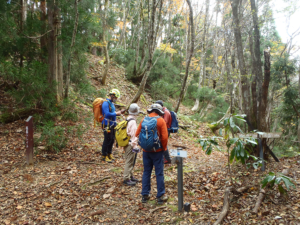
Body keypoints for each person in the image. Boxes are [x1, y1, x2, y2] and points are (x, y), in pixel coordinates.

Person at [136, 103, 169, 204]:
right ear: (159, 112)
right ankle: (161, 196)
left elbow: (137, 134)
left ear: (151, 110)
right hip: (157, 152)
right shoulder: (161, 121)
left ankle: (145, 195)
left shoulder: (143, 120)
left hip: (146, 152)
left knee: (146, 172)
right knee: (159, 173)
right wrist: (164, 149)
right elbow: (164, 137)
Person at [101, 89, 125, 163]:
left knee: (112, 139)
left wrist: (119, 112)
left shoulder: (111, 103)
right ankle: (104, 155)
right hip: (106, 124)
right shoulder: (105, 103)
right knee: (107, 139)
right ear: (112, 96)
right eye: (115, 97)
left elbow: (113, 112)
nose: (116, 99)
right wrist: (116, 113)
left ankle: (109, 153)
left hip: (112, 124)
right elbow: (107, 114)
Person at [123, 103, 140, 186]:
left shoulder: (128, 118)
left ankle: (131, 175)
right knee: (129, 161)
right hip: (130, 144)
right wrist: (135, 146)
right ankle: (126, 178)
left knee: (130, 160)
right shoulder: (133, 121)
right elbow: (134, 135)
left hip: (126, 143)